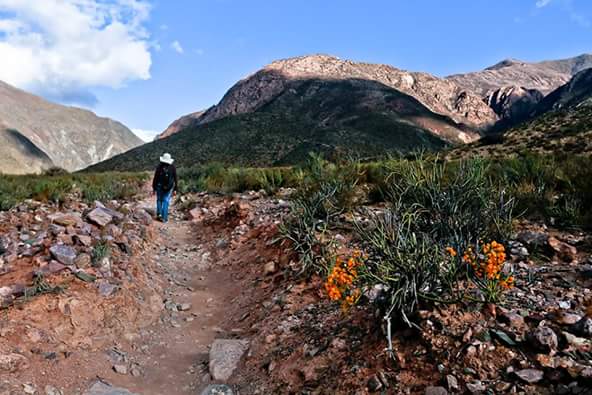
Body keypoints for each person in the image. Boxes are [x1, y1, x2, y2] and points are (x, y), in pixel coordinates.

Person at [152, 153, 178, 222]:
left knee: (159, 200)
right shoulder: (172, 167)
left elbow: (155, 178)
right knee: (166, 201)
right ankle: (164, 218)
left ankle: (159, 214)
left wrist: (154, 188)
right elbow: (175, 178)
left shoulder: (159, 166)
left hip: (159, 186)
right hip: (169, 187)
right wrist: (175, 189)